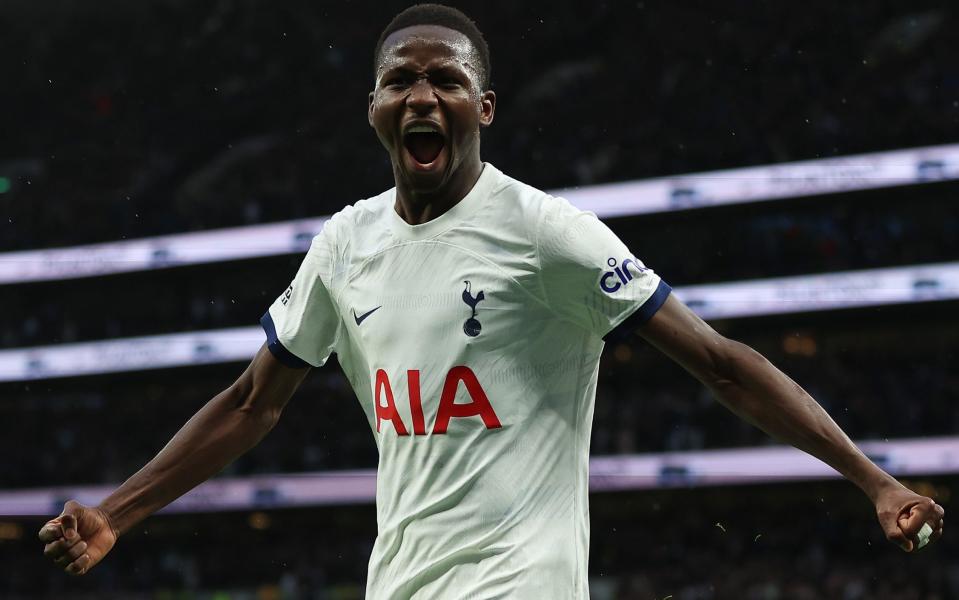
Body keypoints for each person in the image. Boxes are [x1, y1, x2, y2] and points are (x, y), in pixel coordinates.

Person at [39, 3, 944, 598]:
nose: (422, 94)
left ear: (484, 107)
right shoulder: (344, 245)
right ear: (373, 108)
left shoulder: (546, 234)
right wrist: (117, 513)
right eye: (401, 79)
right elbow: (250, 403)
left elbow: (720, 365)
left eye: (446, 80)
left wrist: (870, 479)